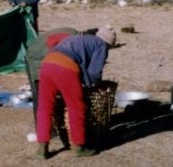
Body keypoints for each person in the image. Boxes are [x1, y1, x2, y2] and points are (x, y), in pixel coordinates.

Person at [36, 26, 116, 159]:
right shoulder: (101, 45)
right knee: (76, 107)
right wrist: (91, 85)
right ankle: (79, 146)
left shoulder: (79, 37)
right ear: (109, 43)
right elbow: (94, 72)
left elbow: (54, 42)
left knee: (45, 107)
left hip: (47, 63)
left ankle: (42, 147)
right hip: (66, 68)